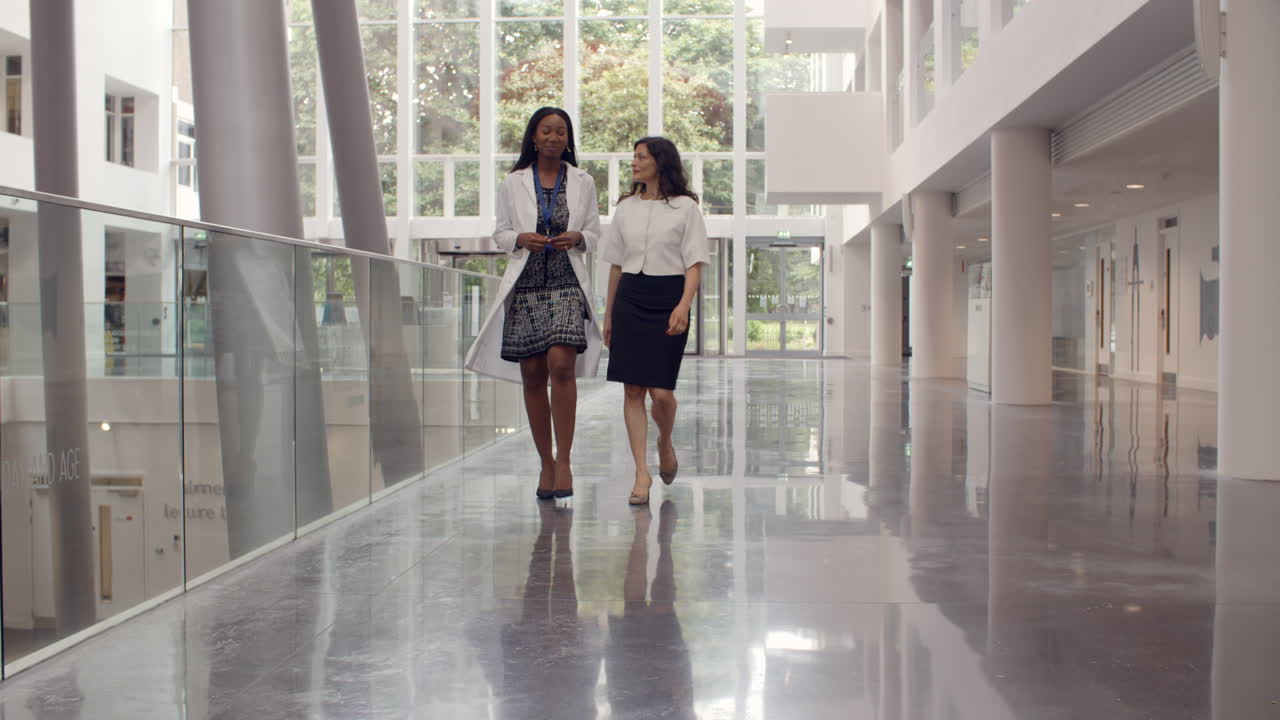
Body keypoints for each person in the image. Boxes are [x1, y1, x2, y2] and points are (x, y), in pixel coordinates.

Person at [464, 107, 603, 500]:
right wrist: (519, 239)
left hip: (564, 280)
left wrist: (578, 237)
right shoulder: (513, 182)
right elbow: (500, 233)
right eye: (547, 131)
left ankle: (565, 461)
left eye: (561, 132)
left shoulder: (583, 181)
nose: (555, 138)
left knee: (562, 363)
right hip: (526, 283)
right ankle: (544, 461)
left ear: (567, 139)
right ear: (534, 137)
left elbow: (595, 231)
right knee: (532, 373)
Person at [600, 137, 709, 505]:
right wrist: (609, 314)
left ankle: (665, 442)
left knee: (661, 393)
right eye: (634, 156)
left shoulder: (686, 208)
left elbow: (694, 263)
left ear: (660, 162)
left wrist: (684, 305)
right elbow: (616, 265)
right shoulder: (625, 208)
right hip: (630, 297)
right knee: (632, 390)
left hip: (668, 299)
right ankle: (641, 473)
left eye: (641, 157)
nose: (634, 162)